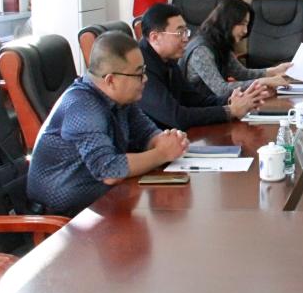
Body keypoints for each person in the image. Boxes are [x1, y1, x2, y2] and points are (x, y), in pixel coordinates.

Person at [27, 31, 189, 216]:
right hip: (65, 218)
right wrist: (161, 154)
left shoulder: (121, 100)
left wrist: (168, 141)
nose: (145, 79)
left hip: (103, 203)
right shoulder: (82, 106)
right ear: (111, 80)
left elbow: (146, 134)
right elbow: (109, 170)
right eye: (138, 74)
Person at [137, 2, 271, 130]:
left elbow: (195, 100)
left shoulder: (168, 60)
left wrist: (232, 100)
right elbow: (176, 117)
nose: (185, 39)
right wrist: (229, 111)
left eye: (186, 32)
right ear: (155, 37)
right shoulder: (140, 67)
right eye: (179, 33)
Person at [181, 0, 293, 101]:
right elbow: (221, 89)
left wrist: (274, 71)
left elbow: (241, 73)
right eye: (242, 24)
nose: (245, 31)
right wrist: (263, 82)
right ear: (227, 21)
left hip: (214, 105)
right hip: (198, 110)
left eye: (247, 25)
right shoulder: (201, 50)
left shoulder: (220, 43)